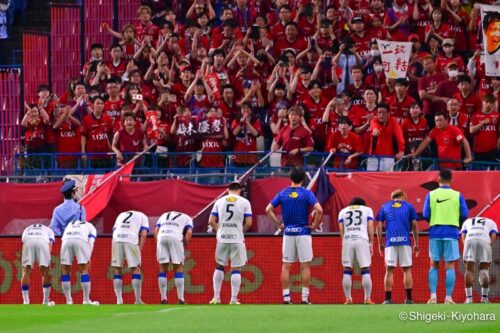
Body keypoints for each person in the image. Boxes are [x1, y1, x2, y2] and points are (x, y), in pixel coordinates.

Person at [266, 167, 323, 304]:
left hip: (288, 232)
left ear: (290, 178)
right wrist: (314, 226)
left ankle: (286, 298)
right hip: (303, 232)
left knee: (286, 266)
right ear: (303, 179)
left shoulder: (282, 193)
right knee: (305, 266)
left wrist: (278, 224)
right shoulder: (306, 193)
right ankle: (304, 298)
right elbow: (319, 210)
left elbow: (268, 209)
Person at [423, 169, 469, 304]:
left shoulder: (430, 195)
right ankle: (448, 298)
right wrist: (455, 221)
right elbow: (465, 214)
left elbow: (425, 214)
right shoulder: (458, 195)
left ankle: (433, 297)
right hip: (451, 232)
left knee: (433, 265)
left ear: (438, 179)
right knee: (450, 266)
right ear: (451, 180)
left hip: (435, 232)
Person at [208, 181, 252, 305]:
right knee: (236, 268)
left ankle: (216, 298)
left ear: (228, 189)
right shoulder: (244, 202)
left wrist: (220, 230)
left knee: (219, 266)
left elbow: (211, 221)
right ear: (240, 190)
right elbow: (249, 222)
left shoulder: (219, 201)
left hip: (222, 238)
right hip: (237, 238)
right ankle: (233, 299)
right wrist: (240, 232)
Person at [376, 189, 419, 304]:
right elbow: (414, 224)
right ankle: (409, 299)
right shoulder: (409, 206)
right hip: (405, 241)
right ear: (403, 196)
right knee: (407, 269)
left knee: (389, 270)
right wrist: (416, 243)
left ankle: (387, 299)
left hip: (390, 241)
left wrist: (380, 243)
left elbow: (379, 226)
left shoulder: (385, 206)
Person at [338, 197, 375, 305]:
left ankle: (348, 298)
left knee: (347, 269)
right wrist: (371, 242)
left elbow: (341, 227)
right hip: (362, 239)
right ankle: (367, 298)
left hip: (347, 239)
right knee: (365, 268)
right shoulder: (367, 210)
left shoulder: (343, 211)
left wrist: (343, 240)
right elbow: (371, 225)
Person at [111, 210, 149, 305]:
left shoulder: (121, 214)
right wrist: (139, 248)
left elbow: (114, 232)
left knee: (117, 269)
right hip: (131, 239)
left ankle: (119, 300)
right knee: (135, 269)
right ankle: (137, 300)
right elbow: (144, 234)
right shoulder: (143, 216)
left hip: (117, 239)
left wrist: (113, 249)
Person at [155, 211, 193, 304]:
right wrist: (183, 245)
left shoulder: (163, 214)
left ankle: (163, 299)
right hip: (175, 237)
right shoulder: (187, 217)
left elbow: (156, 230)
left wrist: (158, 244)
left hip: (161, 237)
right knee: (178, 267)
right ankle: (181, 299)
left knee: (162, 267)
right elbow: (189, 232)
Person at [60, 219, 98, 305]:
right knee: (84, 269)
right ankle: (86, 300)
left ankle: (68, 300)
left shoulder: (70, 223)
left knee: (65, 270)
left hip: (66, 240)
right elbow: (91, 242)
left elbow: (63, 238)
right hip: (80, 240)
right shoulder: (91, 227)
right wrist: (88, 258)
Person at [461, 216, 498, 304]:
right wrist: (488, 245)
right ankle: (484, 298)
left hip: (469, 239)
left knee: (469, 271)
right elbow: (493, 236)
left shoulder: (467, 221)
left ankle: (469, 299)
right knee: (484, 271)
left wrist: (466, 246)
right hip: (484, 240)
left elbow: (463, 236)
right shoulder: (491, 221)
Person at [20, 224, 55, 305]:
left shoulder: (28, 227)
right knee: (45, 272)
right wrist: (46, 259)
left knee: (25, 272)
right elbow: (50, 245)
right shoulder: (49, 230)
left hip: (28, 241)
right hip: (42, 242)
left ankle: (26, 301)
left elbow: (23, 241)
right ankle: (45, 301)